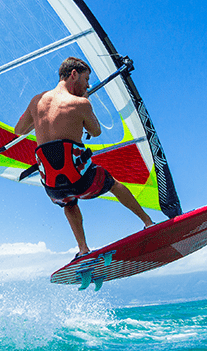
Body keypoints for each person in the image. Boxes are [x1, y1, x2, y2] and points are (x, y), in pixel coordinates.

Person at [14, 57, 154, 260]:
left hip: (53, 187)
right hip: (81, 180)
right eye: (86, 79)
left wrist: (41, 120)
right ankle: (148, 222)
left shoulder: (37, 101)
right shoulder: (80, 103)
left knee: (69, 203)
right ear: (74, 74)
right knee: (112, 184)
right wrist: (86, 101)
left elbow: (19, 130)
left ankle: (83, 249)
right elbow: (95, 131)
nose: (88, 85)